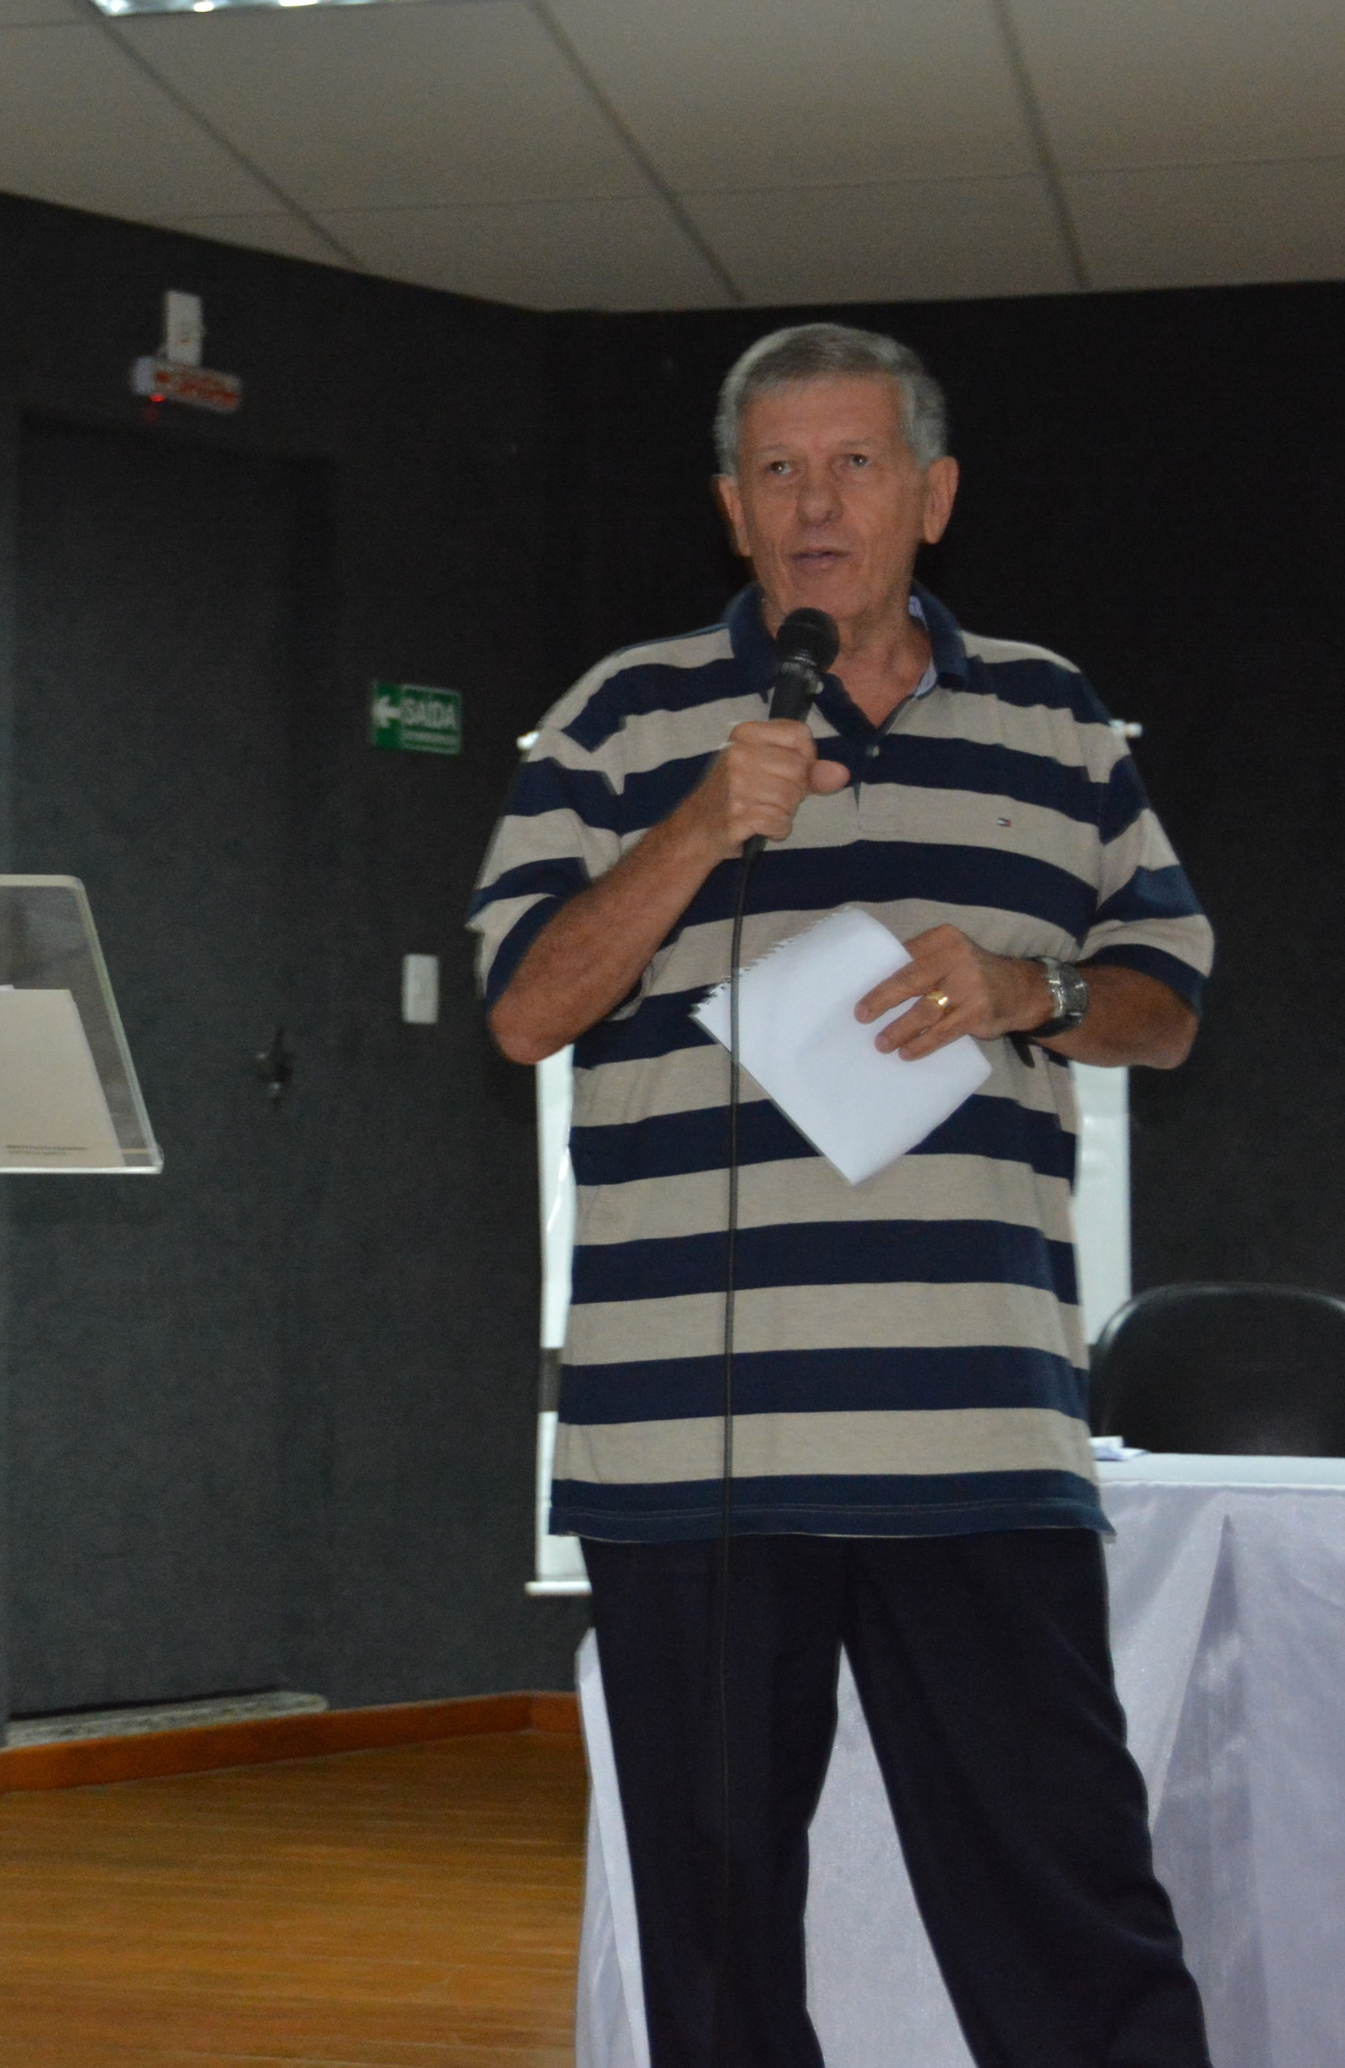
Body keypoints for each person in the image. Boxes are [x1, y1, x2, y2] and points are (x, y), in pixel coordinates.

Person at [467, 323, 1216, 2068]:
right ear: (732, 509)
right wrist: (694, 831)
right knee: (718, 1953)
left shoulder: (1056, 718)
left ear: (932, 497)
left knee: (1073, 1917)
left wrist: (1028, 990)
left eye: (856, 465)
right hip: (689, 1457)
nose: (818, 506)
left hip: (980, 1436)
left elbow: (1168, 1006)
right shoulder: (618, 719)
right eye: (780, 472)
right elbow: (523, 1011)